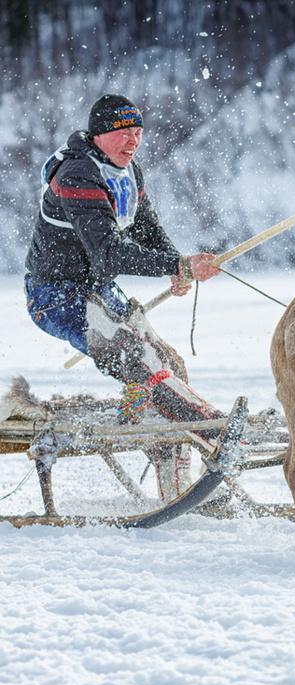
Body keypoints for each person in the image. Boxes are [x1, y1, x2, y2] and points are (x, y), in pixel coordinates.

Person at [24, 94, 224, 497]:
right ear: (98, 135)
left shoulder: (129, 170)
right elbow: (108, 250)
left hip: (98, 290)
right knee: (137, 358)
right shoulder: (77, 173)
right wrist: (180, 265)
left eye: (138, 133)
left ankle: (177, 488)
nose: (132, 142)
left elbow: (146, 230)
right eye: (122, 133)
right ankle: (212, 428)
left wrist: (174, 264)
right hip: (56, 296)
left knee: (169, 362)